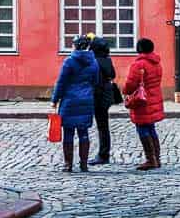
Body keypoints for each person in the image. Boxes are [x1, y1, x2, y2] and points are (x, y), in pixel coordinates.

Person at [51, 35, 100, 172]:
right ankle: (83, 164)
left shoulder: (69, 61)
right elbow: (95, 81)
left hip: (70, 100)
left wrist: (55, 100)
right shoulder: (93, 62)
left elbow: (61, 82)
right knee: (83, 132)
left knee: (68, 133)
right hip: (86, 99)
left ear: (75, 46)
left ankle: (68, 164)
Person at [123, 36, 165, 170]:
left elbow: (131, 84)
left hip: (142, 100)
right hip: (153, 98)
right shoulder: (156, 63)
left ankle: (150, 159)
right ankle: (156, 158)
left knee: (142, 128)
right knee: (151, 127)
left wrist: (125, 91)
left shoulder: (139, 64)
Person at [88, 35, 118, 165]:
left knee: (101, 126)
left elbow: (93, 80)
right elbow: (112, 74)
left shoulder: (94, 61)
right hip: (106, 95)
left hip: (98, 96)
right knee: (104, 126)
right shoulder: (107, 59)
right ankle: (104, 153)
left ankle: (103, 154)